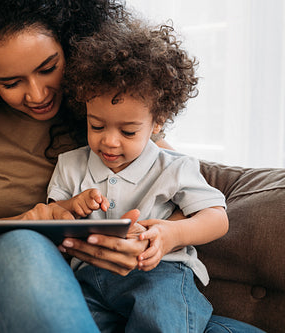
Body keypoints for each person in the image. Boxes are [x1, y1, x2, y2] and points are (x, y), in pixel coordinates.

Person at [0, 0, 265, 332]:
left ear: (72, 44)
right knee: (25, 244)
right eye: (10, 82)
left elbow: (169, 185)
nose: (37, 93)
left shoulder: (106, 107)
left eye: (48, 68)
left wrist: (144, 240)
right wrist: (24, 226)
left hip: (86, 290)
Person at [48, 19, 228, 332]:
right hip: (87, 280)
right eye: (97, 126)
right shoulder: (70, 165)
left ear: (157, 122)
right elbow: (49, 219)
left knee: (162, 321)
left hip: (158, 274)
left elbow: (216, 217)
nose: (109, 141)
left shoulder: (173, 166)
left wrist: (172, 235)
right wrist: (71, 206)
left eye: (128, 131)